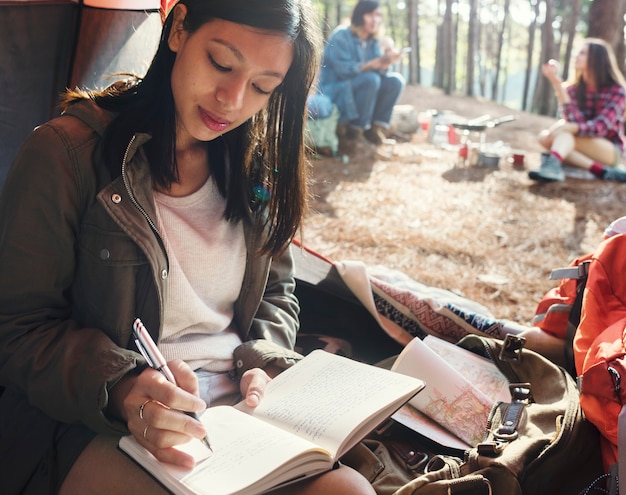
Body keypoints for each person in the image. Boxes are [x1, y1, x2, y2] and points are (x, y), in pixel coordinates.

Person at [0, 1, 376, 494]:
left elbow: (276, 293)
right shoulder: (66, 154)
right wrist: (122, 388)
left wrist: (263, 361)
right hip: (95, 417)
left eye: (263, 87)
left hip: (240, 418)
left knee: (349, 491)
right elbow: (17, 328)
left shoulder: (255, 166)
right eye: (221, 63)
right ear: (178, 28)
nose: (232, 99)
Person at [529, 38, 626, 182]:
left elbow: (601, 127)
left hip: (609, 149)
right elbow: (573, 119)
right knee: (546, 137)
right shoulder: (573, 89)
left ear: (596, 60)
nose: (576, 56)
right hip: (579, 142)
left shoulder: (617, 91)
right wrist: (556, 82)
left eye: (582, 53)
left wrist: (569, 127)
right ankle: (600, 170)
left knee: (553, 136)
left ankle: (554, 162)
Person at [318, 0, 405, 147]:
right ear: (359, 16)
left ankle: (373, 130)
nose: (375, 20)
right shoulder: (341, 36)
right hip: (337, 90)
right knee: (371, 80)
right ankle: (355, 131)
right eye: (370, 15)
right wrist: (374, 63)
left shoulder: (374, 42)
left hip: (362, 88)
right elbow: (344, 71)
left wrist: (386, 59)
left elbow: (380, 75)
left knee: (395, 81)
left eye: (378, 15)